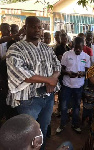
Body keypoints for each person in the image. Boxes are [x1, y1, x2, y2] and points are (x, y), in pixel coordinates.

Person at [6, 16, 61, 150]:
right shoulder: (16, 48)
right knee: (27, 134)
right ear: (25, 28)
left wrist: (53, 79)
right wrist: (48, 80)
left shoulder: (46, 48)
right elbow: (21, 73)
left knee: (42, 129)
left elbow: (57, 65)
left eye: (39, 27)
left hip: (47, 97)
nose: (37, 30)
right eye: (33, 27)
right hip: (29, 100)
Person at [56, 37, 91, 134]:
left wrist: (82, 74)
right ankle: (62, 124)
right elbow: (61, 69)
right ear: (72, 45)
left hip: (79, 86)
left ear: (83, 47)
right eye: (76, 48)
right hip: (67, 85)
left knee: (76, 107)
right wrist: (67, 73)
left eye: (80, 48)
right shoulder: (66, 54)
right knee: (64, 106)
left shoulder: (86, 57)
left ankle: (75, 124)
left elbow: (88, 71)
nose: (78, 50)